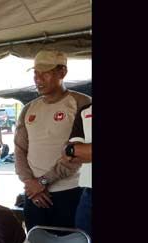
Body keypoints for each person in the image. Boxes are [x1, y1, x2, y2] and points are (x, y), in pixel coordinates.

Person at [14, 50, 91, 231]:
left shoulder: (83, 104)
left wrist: (42, 182)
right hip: (34, 195)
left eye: (45, 73)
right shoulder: (28, 109)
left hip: (71, 193)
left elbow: (78, 153)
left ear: (62, 72)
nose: (38, 79)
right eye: (35, 73)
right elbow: (19, 149)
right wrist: (30, 183)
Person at [63, 104, 92, 237]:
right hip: (89, 193)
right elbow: (70, 155)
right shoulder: (86, 110)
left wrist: (83, 150)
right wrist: (74, 150)